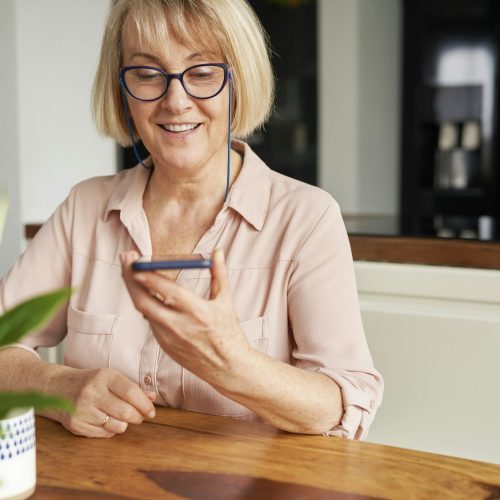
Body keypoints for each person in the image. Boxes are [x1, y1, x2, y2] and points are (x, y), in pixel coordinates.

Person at [0, 0, 383, 440]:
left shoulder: (306, 218)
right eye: (147, 74)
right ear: (120, 86)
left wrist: (235, 362)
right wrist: (58, 386)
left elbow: (343, 400)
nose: (175, 102)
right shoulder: (84, 208)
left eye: (202, 73)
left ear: (238, 81)